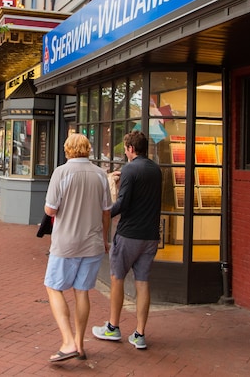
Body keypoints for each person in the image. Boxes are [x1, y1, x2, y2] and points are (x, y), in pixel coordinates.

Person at [43, 134, 111, 363]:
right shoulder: (101, 175)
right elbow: (106, 211)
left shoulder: (61, 172)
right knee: (82, 292)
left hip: (66, 243)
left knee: (53, 287)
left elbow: (50, 210)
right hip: (92, 243)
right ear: (88, 149)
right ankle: (80, 344)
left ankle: (68, 341)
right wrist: (105, 239)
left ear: (68, 150)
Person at [93, 130, 162, 350]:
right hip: (150, 235)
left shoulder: (130, 169)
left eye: (125, 149)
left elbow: (122, 204)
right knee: (143, 283)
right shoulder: (156, 170)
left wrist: (104, 214)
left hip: (129, 234)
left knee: (117, 278)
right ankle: (140, 333)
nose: (125, 152)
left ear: (131, 149)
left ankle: (113, 327)